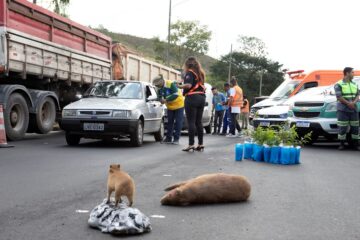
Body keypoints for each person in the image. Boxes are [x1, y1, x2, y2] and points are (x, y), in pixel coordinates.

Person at [177, 57, 206, 152]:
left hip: (192, 98)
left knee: (191, 122)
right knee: (198, 122)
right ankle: (201, 144)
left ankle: (191, 144)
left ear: (187, 65)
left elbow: (188, 85)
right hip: (201, 98)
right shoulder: (200, 73)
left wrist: (179, 85)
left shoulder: (189, 72)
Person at [153, 74, 184, 145]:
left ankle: (176, 139)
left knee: (178, 122)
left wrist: (166, 99)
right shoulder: (159, 88)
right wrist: (160, 100)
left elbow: (176, 94)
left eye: (158, 85)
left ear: (161, 82)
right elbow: (159, 96)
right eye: (156, 85)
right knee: (170, 122)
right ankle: (168, 138)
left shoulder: (170, 84)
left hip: (179, 105)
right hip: (170, 106)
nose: (157, 86)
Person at [334, 67, 359, 150]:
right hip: (343, 109)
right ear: (347, 73)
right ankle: (342, 144)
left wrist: (353, 103)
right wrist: (349, 103)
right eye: (352, 72)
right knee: (342, 127)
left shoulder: (355, 84)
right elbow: (339, 97)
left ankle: (356, 145)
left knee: (355, 127)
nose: (353, 74)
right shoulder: (338, 84)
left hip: (353, 109)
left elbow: (358, 95)